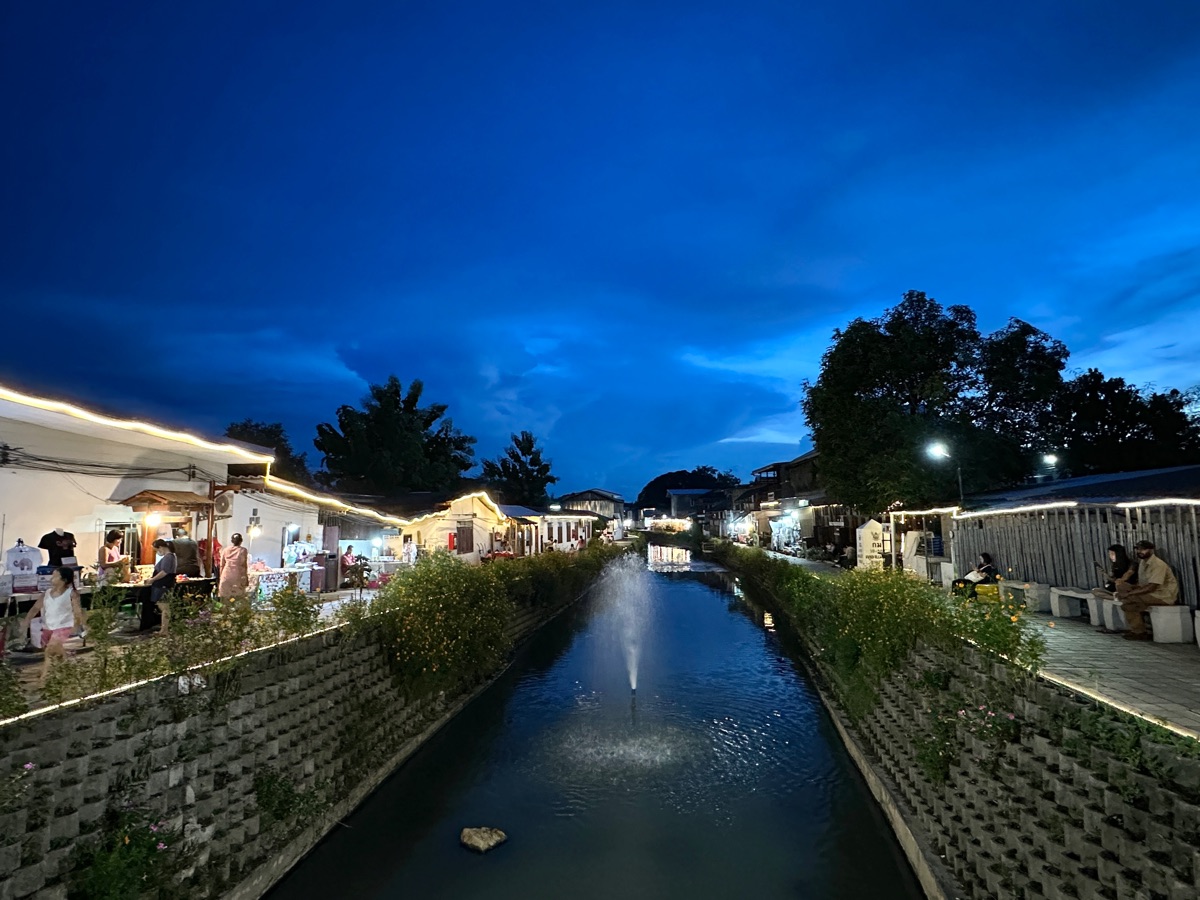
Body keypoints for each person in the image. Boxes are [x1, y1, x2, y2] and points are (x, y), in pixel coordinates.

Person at [21, 566, 84, 684]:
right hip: (48, 626)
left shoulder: (71, 594)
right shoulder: (46, 594)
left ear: (64, 580)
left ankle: (44, 678)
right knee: (56, 651)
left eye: (55, 576)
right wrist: (26, 620)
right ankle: (69, 666)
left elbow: (77, 610)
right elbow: (35, 608)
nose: (52, 578)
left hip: (64, 626)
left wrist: (77, 623)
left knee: (50, 650)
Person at [1116, 540, 1179, 641]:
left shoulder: (1158, 564)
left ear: (1151, 550)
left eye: (1143, 549)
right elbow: (1143, 584)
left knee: (1128, 603)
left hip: (1162, 596)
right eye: (1138, 549)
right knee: (1123, 589)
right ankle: (1138, 630)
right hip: (1149, 593)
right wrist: (1130, 589)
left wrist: (1129, 594)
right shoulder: (1143, 562)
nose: (1139, 551)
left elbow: (1151, 587)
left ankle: (1139, 632)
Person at [143, 539, 177, 631]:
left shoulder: (168, 557)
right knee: (164, 606)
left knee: (164, 607)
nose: (157, 552)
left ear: (161, 547)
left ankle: (164, 630)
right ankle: (163, 629)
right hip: (164, 584)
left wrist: (152, 579)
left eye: (156, 550)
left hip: (163, 584)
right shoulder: (170, 556)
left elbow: (164, 572)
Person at [219, 533, 250, 604]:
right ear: (241, 541)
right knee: (237, 599)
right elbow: (244, 565)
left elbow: (221, 565)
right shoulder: (243, 550)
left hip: (226, 575)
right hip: (237, 575)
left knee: (225, 599)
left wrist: (221, 577)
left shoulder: (225, 550)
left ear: (232, 541)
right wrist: (246, 578)